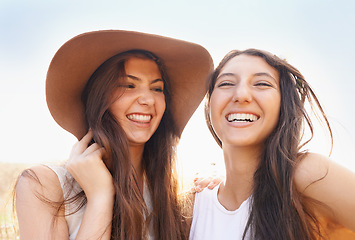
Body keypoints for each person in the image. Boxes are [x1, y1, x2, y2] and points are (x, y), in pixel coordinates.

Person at [15, 30, 215, 240]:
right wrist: (100, 197)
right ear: (99, 96)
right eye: (129, 85)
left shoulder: (175, 195)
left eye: (157, 89)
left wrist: (220, 188)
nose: (147, 100)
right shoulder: (46, 185)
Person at [189, 49, 355, 240]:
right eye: (226, 83)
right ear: (210, 103)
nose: (241, 94)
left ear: (284, 103)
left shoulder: (306, 176)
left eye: (262, 84)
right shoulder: (192, 205)